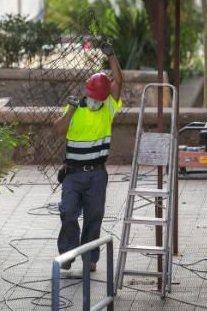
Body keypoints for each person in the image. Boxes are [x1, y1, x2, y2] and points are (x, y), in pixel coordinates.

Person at [53, 43, 123, 271]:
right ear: (87, 91)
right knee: (69, 213)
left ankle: (90, 258)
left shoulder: (108, 108)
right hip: (73, 174)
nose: (96, 102)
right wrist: (71, 110)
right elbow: (58, 130)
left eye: (100, 98)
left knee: (94, 216)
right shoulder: (75, 108)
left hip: (96, 173)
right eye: (93, 97)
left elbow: (118, 82)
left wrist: (111, 55)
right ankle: (67, 254)